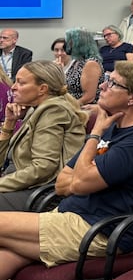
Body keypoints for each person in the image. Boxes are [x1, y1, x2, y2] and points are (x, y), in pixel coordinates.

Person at [0, 61, 133, 280]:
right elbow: (64, 183)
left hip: (100, 230)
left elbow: (79, 183)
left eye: (112, 83)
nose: (102, 85)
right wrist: (81, 173)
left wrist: (96, 132)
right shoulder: (115, 124)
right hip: (70, 215)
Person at [0, 61, 87, 210]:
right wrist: (9, 122)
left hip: (39, 192)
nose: (13, 87)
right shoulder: (36, 109)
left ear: (42, 89)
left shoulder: (53, 110)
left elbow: (43, 168)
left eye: (21, 83)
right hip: (22, 183)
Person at [63, 28, 104, 106]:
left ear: (79, 44)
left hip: (84, 108)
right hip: (71, 103)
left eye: (69, 42)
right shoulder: (76, 61)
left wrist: (69, 107)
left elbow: (89, 97)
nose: (67, 45)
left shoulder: (91, 64)